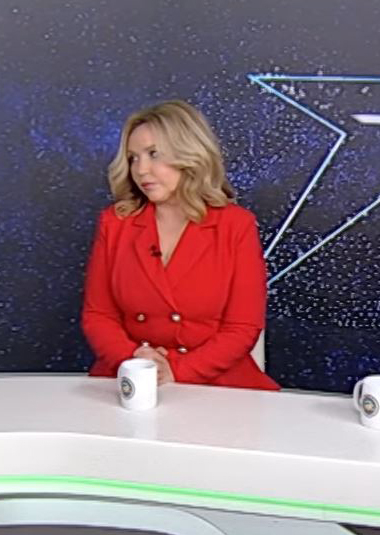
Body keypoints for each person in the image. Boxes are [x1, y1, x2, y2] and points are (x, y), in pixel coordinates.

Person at [82, 99, 278, 391]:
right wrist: (136, 362)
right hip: (130, 375)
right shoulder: (115, 223)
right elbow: (98, 316)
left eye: (153, 154)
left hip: (216, 383)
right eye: (133, 158)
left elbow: (242, 328)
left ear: (189, 155)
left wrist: (176, 370)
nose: (141, 170)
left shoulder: (236, 225)